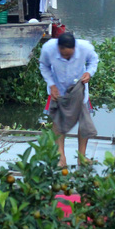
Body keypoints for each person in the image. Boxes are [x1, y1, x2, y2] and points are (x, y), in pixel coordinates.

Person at [39, 33, 98, 167]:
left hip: (78, 88)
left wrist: (89, 72)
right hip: (57, 87)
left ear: (74, 48)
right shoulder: (48, 49)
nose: (66, 58)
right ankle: (61, 158)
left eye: (69, 55)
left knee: (84, 121)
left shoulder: (85, 48)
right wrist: (51, 84)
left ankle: (81, 157)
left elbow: (94, 60)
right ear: (58, 48)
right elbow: (44, 66)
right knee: (58, 122)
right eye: (63, 55)